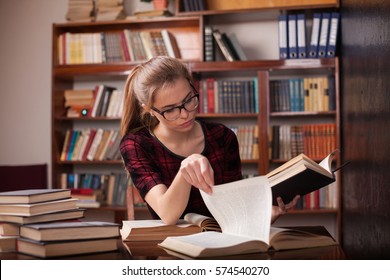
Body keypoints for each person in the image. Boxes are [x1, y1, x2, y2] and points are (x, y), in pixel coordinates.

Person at [120, 56, 299, 225]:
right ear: (149, 110)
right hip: (172, 249)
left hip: (224, 243)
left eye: (189, 100)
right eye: (170, 110)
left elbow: (234, 207)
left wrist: (263, 216)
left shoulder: (222, 136)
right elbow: (168, 215)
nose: (185, 114)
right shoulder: (136, 145)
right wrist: (185, 171)